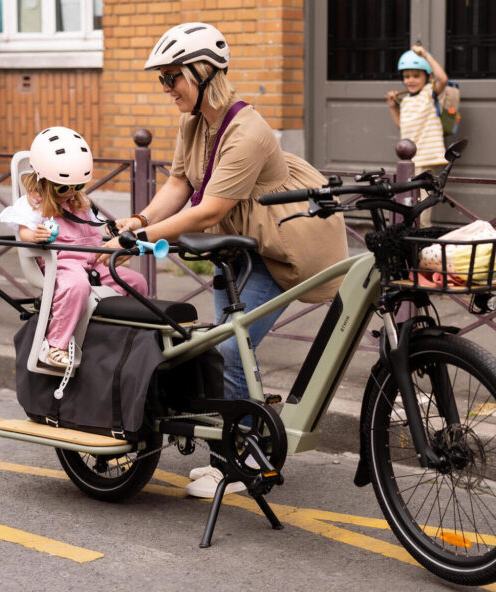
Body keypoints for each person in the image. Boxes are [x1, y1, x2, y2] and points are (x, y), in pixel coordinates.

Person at [100, 22, 348, 498]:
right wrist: (137, 222)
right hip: (236, 249)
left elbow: (210, 208)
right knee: (228, 353)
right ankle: (243, 450)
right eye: (162, 79)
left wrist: (143, 238)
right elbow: (179, 184)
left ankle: (234, 465)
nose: (166, 89)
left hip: (277, 251)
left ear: (202, 73)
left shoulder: (247, 131)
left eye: (172, 77)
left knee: (232, 352)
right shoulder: (194, 122)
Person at [0, 126, 148, 369]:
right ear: (42, 180)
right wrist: (35, 235)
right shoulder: (33, 203)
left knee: (136, 282)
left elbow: (92, 230)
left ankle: (133, 337)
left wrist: (111, 236)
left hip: (92, 260)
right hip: (62, 263)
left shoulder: (78, 201)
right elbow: (22, 230)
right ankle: (55, 344)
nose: (70, 193)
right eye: (62, 188)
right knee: (76, 286)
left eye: (77, 186)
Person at [384, 44, 450, 227]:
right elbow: (402, 126)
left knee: (421, 201)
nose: (410, 80)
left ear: (427, 77)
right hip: (410, 159)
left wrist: (426, 55)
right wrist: (392, 106)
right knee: (408, 199)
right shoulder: (405, 100)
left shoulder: (430, 93)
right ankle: (415, 235)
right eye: (406, 76)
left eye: (416, 75)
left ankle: (422, 235)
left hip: (426, 156)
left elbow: (443, 79)